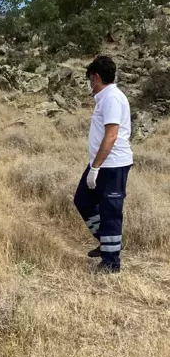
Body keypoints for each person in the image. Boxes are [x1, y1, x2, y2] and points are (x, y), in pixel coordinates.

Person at [73, 56, 133, 274]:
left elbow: (111, 136)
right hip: (100, 163)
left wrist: (96, 168)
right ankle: (107, 242)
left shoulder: (112, 99)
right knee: (82, 199)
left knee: (111, 211)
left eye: (90, 79)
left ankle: (111, 262)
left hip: (112, 165)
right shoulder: (105, 98)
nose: (90, 84)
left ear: (96, 77)